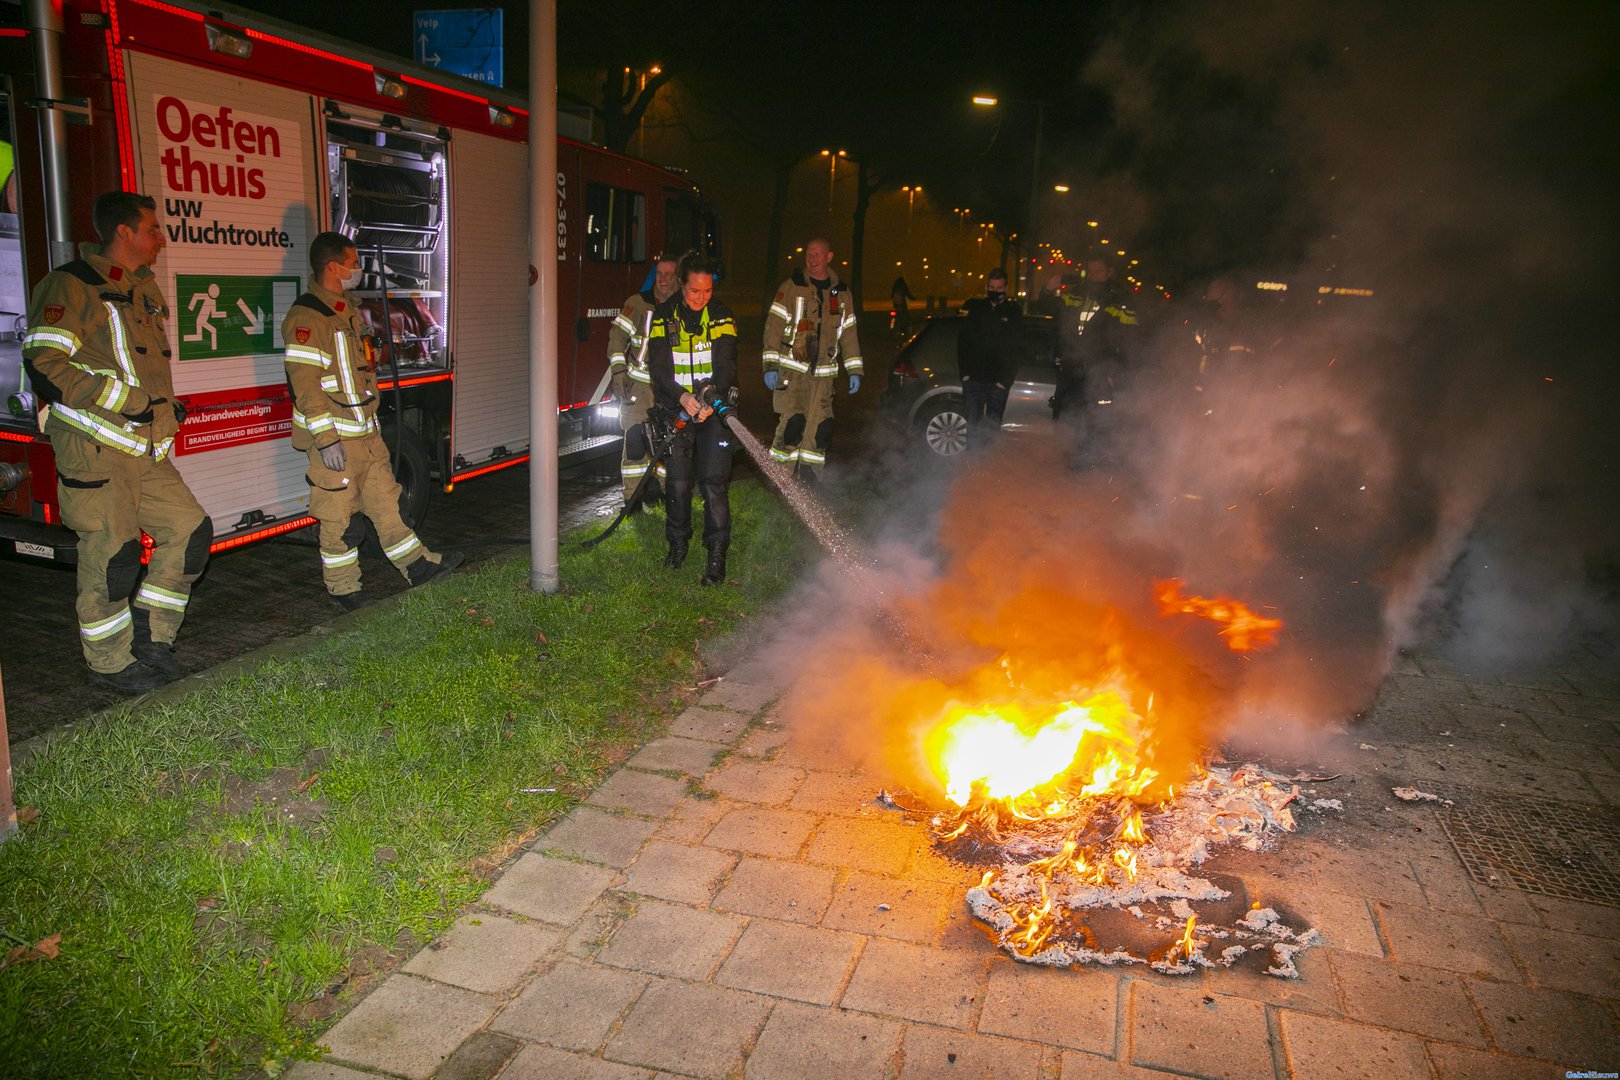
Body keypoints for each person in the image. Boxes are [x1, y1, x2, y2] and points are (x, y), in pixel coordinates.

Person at [21, 191, 210, 693]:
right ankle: (108, 662)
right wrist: (129, 401)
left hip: (142, 449)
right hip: (95, 446)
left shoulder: (139, 287)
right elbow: (45, 364)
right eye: (152, 228)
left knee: (190, 531)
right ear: (123, 232)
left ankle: (151, 641)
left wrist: (161, 411)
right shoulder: (72, 285)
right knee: (113, 555)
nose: (160, 238)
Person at [282, 231, 462, 611]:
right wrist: (326, 439)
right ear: (333, 267)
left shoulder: (345, 310)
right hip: (338, 443)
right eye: (353, 263)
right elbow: (306, 385)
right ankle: (344, 590)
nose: (358, 270)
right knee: (340, 520)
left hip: (366, 434)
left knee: (388, 504)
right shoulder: (307, 317)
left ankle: (418, 567)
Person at [646, 252, 737, 586]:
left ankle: (716, 554)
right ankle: (678, 544)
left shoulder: (722, 316)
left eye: (708, 291)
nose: (701, 298)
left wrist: (714, 398)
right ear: (681, 284)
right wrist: (683, 397)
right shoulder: (662, 316)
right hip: (677, 410)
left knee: (713, 482)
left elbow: (727, 363)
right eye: (694, 291)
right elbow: (658, 369)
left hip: (713, 412)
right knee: (679, 482)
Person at [761, 238, 862, 482]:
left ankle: (810, 483)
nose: (812, 257)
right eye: (808, 253)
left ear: (829, 257)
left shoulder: (842, 294)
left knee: (819, 432)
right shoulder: (791, 287)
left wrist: (855, 369)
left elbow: (848, 333)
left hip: (824, 378)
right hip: (792, 374)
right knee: (792, 427)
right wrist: (770, 366)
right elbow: (773, 328)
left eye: (817, 254)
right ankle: (780, 482)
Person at [608, 255, 679, 506]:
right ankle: (632, 501)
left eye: (669, 274)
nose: (663, 279)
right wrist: (618, 371)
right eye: (659, 273)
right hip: (639, 387)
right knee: (636, 443)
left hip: (672, 390)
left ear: (678, 278)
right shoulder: (638, 303)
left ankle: (665, 495)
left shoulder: (685, 307)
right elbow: (617, 336)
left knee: (670, 444)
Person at [1048, 256, 1138, 421]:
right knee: (1065, 416)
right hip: (1072, 368)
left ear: (1109, 272)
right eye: (1090, 272)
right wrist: (1047, 291)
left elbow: (1128, 341)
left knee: (1096, 420)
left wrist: (1114, 373)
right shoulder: (1077, 293)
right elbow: (1053, 311)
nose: (1093, 276)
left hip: (1100, 371)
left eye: (1098, 272)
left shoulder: (1120, 298)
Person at [956, 267, 1025, 438]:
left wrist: (1006, 380)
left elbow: (1018, 348)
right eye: (991, 288)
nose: (995, 291)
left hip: (998, 383)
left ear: (1006, 288)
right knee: (973, 426)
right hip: (973, 381)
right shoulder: (977, 309)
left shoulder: (1013, 311)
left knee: (992, 428)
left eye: (999, 288)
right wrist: (965, 373)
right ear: (987, 287)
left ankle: (988, 462)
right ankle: (972, 463)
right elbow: (963, 343)